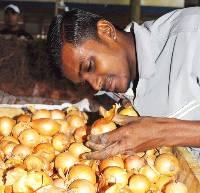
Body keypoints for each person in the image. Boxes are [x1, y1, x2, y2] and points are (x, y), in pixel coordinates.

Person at [47, 8, 200, 160]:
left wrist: (163, 133)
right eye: (85, 82)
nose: (95, 86)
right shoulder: (111, 90)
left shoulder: (192, 35)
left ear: (106, 31)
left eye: (89, 67)